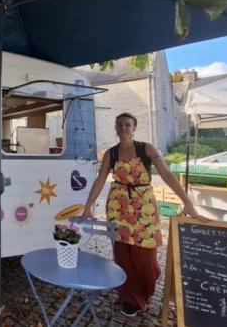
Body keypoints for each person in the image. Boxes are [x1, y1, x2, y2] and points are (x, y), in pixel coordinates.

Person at [78, 112, 202, 317]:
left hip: (144, 206)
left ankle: (146, 287)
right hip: (117, 206)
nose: (123, 128)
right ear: (116, 128)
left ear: (134, 128)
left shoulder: (147, 149)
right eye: (120, 125)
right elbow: (100, 180)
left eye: (128, 125)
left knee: (145, 255)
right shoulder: (111, 153)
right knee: (123, 254)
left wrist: (187, 201)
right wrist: (88, 207)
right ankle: (129, 296)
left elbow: (167, 175)